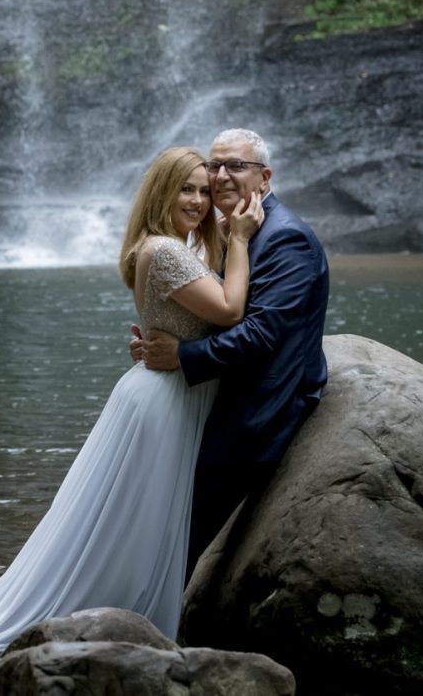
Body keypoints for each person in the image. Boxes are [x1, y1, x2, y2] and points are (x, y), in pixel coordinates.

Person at [0, 147, 262, 651]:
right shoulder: (165, 250)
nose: (199, 201)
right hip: (163, 401)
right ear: (161, 190)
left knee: (137, 521)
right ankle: (108, 627)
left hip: (167, 394)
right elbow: (229, 310)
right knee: (131, 522)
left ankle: (125, 627)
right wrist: (243, 239)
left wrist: (224, 241)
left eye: (205, 191)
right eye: (186, 188)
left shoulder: (173, 249)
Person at [133, 128, 330, 577]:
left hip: (261, 407)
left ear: (265, 178)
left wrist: (181, 355)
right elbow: (214, 311)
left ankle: (154, 627)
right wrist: (162, 337)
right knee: (166, 523)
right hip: (221, 396)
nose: (220, 176)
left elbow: (261, 335)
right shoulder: (233, 231)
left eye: (235, 166)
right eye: (214, 165)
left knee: (186, 530)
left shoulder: (285, 238)